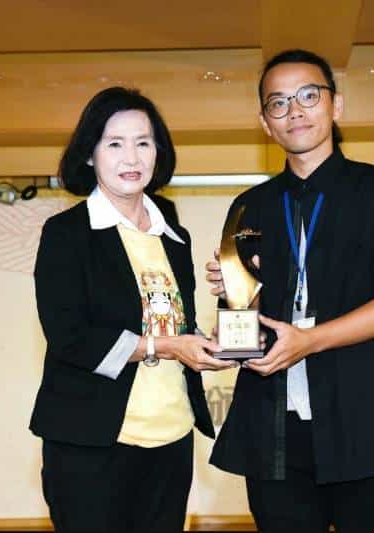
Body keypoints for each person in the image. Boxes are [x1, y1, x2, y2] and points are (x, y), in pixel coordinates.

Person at [206, 50, 374, 532]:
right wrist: (236, 293)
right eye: (278, 103)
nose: (294, 110)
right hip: (275, 437)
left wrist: (309, 340)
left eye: (308, 96)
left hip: (367, 430)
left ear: (336, 105)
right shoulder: (249, 206)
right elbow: (244, 328)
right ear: (265, 123)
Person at [30, 87, 234, 533]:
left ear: (158, 152)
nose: (131, 157)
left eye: (143, 142)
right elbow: (69, 338)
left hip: (172, 434)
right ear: (90, 154)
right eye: (114, 143)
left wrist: (205, 344)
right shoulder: (66, 233)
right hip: (92, 440)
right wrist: (169, 346)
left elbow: (171, 322)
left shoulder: (173, 235)